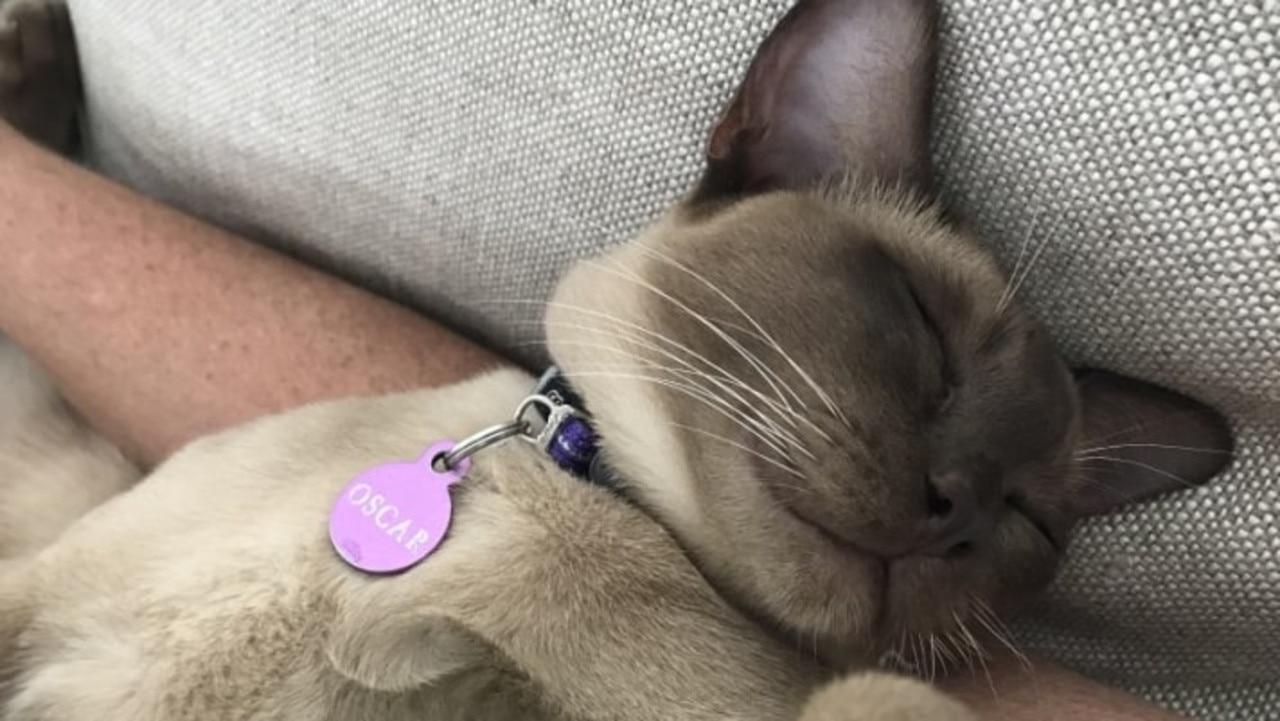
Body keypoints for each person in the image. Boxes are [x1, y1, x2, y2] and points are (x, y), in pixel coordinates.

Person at [6, 0, 1275, 717]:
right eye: (920, 343)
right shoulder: (426, 430)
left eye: (1018, 522)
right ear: (766, 162)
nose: (952, 499)